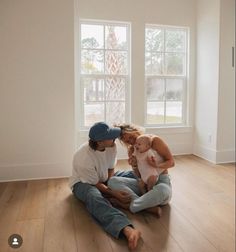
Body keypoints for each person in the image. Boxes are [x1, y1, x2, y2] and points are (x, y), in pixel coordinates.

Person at [69, 122, 141, 250]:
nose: (115, 138)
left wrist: (111, 184)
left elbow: (110, 169)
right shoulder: (84, 157)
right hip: (84, 183)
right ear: (100, 142)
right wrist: (114, 192)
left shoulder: (111, 146)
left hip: (104, 178)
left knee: (133, 174)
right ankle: (126, 229)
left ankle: (153, 189)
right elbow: (94, 183)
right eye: (111, 136)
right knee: (94, 196)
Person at [108, 123, 175, 217]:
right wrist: (135, 166)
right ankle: (145, 204)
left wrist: (156, 165)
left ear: (135, 131)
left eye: (131, 137)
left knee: (162, 190)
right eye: (128, 141)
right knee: (112, 181)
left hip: (161, 182)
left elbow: (171, 162)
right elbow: (139, 176)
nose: (132, 141)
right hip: (143, 185)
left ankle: (129, 206)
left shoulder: (154, 140)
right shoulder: (132, 150)